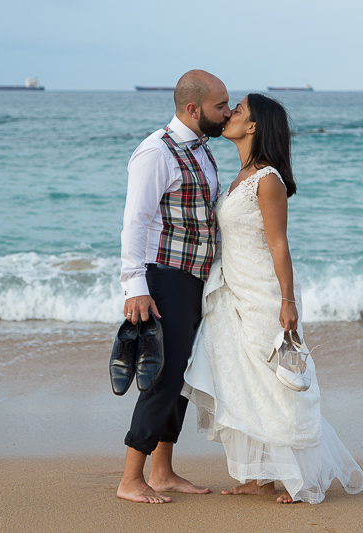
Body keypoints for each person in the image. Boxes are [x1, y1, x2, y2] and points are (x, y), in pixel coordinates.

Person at [182, 94, 363, 504]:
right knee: (242, 382)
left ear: (253, 127)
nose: (229, 114)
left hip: (265, 292)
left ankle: (299, 479)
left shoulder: (267, 180)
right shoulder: (240, 175)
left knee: (276, 383)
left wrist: (288, 302)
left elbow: (279, 245)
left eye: (239, 111)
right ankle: (259, 476)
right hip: (234, 289)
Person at [117, 70, 231, 504]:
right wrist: (135, 286)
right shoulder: (155, 152)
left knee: (182, 376)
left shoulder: (202, 150)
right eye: (220, 106)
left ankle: (162, 471)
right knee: (163, 376)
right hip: (164, 278)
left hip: (196, 280)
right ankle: (131, 478)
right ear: (192, 108)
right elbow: (136, 221)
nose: (227, 112)